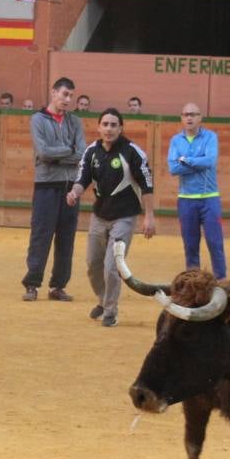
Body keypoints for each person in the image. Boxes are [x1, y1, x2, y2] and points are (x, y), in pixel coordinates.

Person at [66, 108, 156, 328]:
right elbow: (82, 179)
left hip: (124, 217)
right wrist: (75, 192)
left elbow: (147, 185)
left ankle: (110, 312)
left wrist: (149, 217)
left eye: (113, 125)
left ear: (120, 128)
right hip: (99, 216)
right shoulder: (91, 152)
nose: (109, 129)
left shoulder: (133, 152)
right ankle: (102, 299)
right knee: (92, 264)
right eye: (105, 124)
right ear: (98, 127)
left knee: (111, 265)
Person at [23, 77, 85, 302]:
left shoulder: (75, 122)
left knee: (66, 237)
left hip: (70, 187)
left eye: (71, 95)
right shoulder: (37, 120)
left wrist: (59, 156)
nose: (67, 99)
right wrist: (69, 151)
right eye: (64, 94)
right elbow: (44, 153)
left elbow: (82, 154)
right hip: (46, 187)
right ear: (53, 93)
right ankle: (32, 283)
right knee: (41, 235)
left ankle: (58, 285)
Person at [166, 102, 227, 280]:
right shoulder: (176, 140)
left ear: (200, 118)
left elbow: (209, 162)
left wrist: (185, 160)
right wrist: (196, 162)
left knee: (215, 243)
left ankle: (221, 281)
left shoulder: (210, 137)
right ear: (181, 118)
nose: (190, 118)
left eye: (193, 114)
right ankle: (194, 283)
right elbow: (173, 168)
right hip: (186, 199)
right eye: (186, 115)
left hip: (210, 198)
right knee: (190, 245)